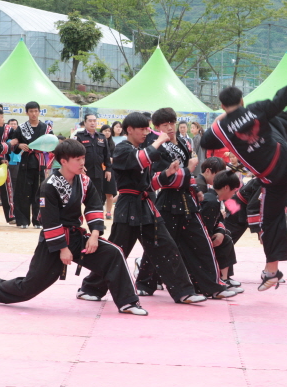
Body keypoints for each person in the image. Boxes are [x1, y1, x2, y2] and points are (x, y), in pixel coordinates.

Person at [0, 139, 147, 315]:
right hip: (53, 242)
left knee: (113, 253)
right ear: (63, 161)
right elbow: (49, 221)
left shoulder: (84, 181)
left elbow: (93, 207)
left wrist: (94, 235)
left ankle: (128, 303)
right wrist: (62, 248)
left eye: (83, 158)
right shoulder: (50, 185)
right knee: (31, 286)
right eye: (77, 159)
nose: (82, 163)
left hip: (77, 237)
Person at [201, 64, 287, 291]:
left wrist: (259, 229)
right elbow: (282, 98)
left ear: (222, 106)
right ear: (243, 101)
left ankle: (231, 269)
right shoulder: (255, 110)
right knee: (234, 227)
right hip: (255, 191)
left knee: (235, 228)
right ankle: (263, 270)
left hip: (252, 194)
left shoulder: (222, 127)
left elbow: (207, 141)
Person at [77, 112, 206, 304]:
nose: (146, 132)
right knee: (117, 251)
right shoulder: (122, 149)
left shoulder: (141, 148)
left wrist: (167, 174)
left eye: (147, 129)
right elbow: (140, 159)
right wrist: (159, 141)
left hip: (146, 205)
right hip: (127, 206)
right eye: (142, 129)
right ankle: (91, 287)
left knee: (167, 246)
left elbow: (149, 184)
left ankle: (183, 291)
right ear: (130, 130)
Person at [150, 107, 237, 299]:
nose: (171, 127)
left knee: (202, 242)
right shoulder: (155, 146)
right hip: (167, 200)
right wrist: (187, 171)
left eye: (172, 123)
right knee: (164, 246)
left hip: (187, 199)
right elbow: (162, 177)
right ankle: (145, 281)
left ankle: (213, 285)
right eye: (166, 125)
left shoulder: (184, 142)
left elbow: (188, 173)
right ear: (156, 127)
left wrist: (196, 190)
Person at [11, 101, 53, 228]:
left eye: (36, 111)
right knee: (23, 192)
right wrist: (19, 145)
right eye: (31, 111)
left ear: (39, 112)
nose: (34, 114)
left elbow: (52, 144)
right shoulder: (21, 128)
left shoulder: (46, 128)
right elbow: (14, 145)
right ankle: (23, 221)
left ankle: (38, 220)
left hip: (40, 163)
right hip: (26, 163)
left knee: (40, 193)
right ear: (27, 112)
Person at [200, 169, 243, 289]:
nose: (234, 194)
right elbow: (204, 230)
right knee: (225, 239)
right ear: (226, 188)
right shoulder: (211, 201)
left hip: (206, 233)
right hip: (196, 242)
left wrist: (220, 232)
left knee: (226, 237)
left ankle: (224, 277)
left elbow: (217, 221)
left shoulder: (214, 198)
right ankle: (220, 279)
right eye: (234, 190)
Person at [75, 113, 112, 203]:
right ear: (85, 122)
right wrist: (79, 166)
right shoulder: (79, 136)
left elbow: (107, 154)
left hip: (98, 172)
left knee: (97, 196)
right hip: (84, 171)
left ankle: (96, 215)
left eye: (94, 121)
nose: (92, 123)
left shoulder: (101, 137)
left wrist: (108, 169)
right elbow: (75, 153)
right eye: (90, 121)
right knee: (81, 196)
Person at [100, 124, 118, 219]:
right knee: (98, 192)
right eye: (105, 130)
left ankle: (108, 212)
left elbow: (115, 157)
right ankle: (98, 212)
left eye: (109, 131)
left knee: (109, 193)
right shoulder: (98, 142)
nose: (107, 132)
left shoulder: (112, 144)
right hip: (99, 170)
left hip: (109, 170)